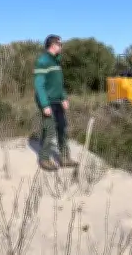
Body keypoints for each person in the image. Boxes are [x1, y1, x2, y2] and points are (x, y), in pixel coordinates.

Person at [33, 34, 79, 171]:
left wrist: (64, 97)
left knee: (62, 127)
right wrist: (45, 105)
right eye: (60, 44)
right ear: (53, 45)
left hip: (58, 100)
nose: (61, 46)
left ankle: (64, 158)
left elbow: (59, 84)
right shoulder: (43, 61)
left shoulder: (56, 61)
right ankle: (44, 159)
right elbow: (39, 85)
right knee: (50, 130)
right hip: (47, 101)